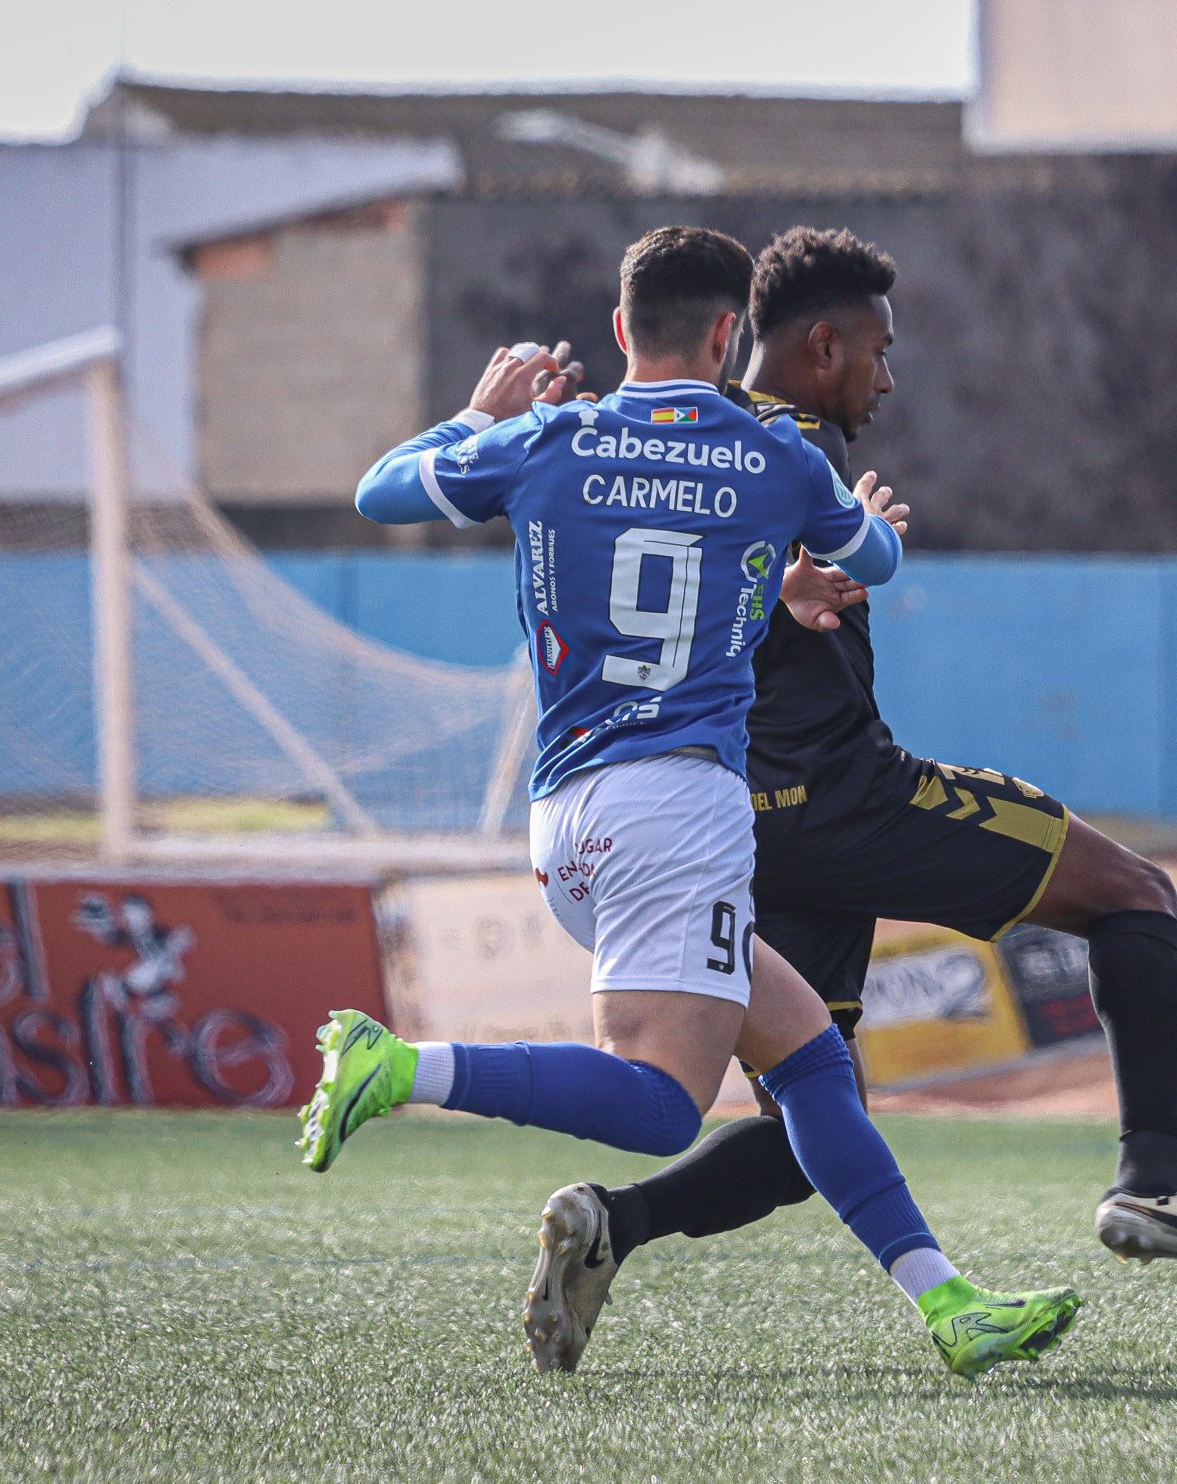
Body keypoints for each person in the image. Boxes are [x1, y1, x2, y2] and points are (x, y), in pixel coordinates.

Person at [296, 226, 1082, 1380]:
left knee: (810, 1061)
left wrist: (471, 415)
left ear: (621, 328)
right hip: (679, 812)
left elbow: (378, 491)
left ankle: (950, 1303)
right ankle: (402, 1066)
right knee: (666, 1105)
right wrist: (800, 552)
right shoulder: (772, 454)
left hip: (569, 815)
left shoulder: (548, 436)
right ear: (728, 334)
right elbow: (874, 556)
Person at [583, 226, 1177, 1291]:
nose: (885, 379)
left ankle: (609, 1221)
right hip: (846, 796)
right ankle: (1151, 1180)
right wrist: (805, 571)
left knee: (813, 1125)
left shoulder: (678, 447)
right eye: (876, 352)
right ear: (821, 346)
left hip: (739, 828)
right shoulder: (787, 442)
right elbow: (778, 567)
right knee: (1135, 894)